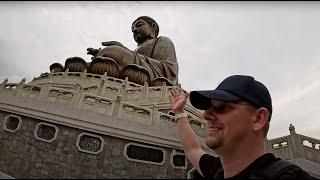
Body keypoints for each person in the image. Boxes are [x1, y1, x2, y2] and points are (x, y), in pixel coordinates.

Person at [168, 75, 315, 179]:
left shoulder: (286, 176)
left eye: (221, 107)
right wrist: (179, 113)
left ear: (258, 119)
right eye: (208, 108)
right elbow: (192, 149)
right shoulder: (218, 171)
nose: (205, 115)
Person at [87, 16, 178, 85]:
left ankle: (97, 65)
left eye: (139, 25)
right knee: (111, 52)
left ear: (153, 27)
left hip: (151, 76)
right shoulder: (136, 49)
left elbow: (168, 70)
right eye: (132, 29)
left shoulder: (162, 40)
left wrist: (123, 51)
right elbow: (130, 58)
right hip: (134, 70)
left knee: (113, 51)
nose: (134, 30)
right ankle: (101, 63)